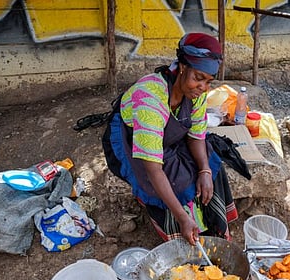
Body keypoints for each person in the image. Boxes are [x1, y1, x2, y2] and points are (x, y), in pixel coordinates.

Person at [102, 32, 238, 246]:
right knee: (178, 184)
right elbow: (154, 169)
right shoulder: (150, 99)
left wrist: (204, 170)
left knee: (212, 165)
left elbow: (196, 136)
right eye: (198, 78)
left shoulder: (197, 94)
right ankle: (184, 234)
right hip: (132, 137)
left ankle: (213, 230)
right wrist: (182, 217)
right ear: (182, 67)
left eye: (208, 81)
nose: (203, 87)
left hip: (168, 136)